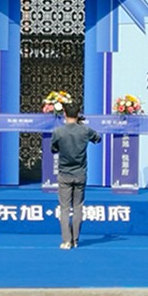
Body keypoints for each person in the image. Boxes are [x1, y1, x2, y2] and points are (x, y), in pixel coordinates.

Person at [52, 102, 101, 249]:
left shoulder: (59, 131)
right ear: (78, 114)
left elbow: (53, 149)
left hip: (65, 173)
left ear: (64, 114)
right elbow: (98, 139)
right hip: (80, 173)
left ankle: (66, 240)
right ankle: (75, 239)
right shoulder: (85, 130)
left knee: (65, 208)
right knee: (78, 207)